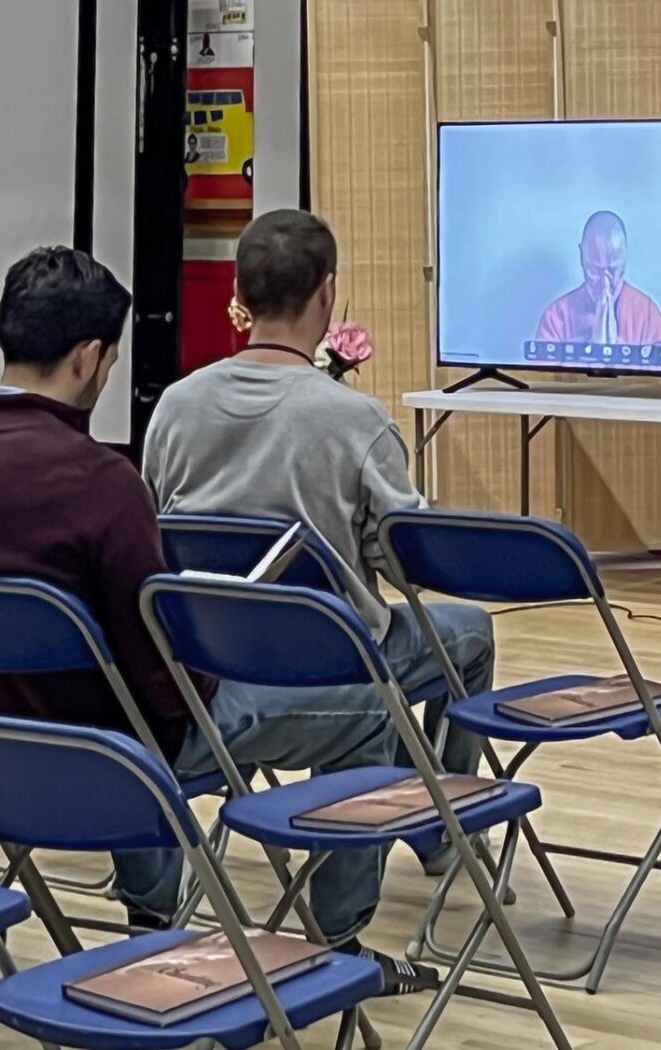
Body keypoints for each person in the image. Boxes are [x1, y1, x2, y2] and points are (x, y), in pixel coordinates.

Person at [0, 246, 434, 991]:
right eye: (110, 362)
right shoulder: (98, 483)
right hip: (106, 765)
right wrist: (218, 656)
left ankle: (151, 917)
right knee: (373, 708)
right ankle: (340, 948)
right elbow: (159, 678)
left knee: (123, 703)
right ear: (87, 357)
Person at [142, 209, 487, 797]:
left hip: (208, 649)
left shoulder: (175, 405)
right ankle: (437, 821)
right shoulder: (356, 420)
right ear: (327, 294)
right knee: (470, 631)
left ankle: (407, 805)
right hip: (335, 651)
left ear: (239, 294)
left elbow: (153, 531)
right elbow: (404, 565)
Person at [534, 210, 661, 366]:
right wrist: (592, 351)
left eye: (613, 271)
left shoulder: (645, 312)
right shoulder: (557, 316)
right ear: (581, 257)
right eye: (594, 271)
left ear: (625, 259)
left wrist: (616, 351)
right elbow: (540, 381)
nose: (605, 283)